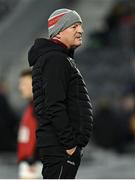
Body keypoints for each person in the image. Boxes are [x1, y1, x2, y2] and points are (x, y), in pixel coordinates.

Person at [28, 8, 93, 179]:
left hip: (61, 147)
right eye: (74, 26)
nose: (81, 30)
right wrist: (70, 146)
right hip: (61, 148)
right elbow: (54, 105)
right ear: (58, 31)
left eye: (80, 25)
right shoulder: (55, 59)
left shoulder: (58, 58)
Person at [18, 69, 42, 179]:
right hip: (30, 161)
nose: (20, 88)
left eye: (24, 84)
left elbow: (43, 133)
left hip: (33, 164)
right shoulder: (31, 107)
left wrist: (34, 158)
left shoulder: (39, 108)